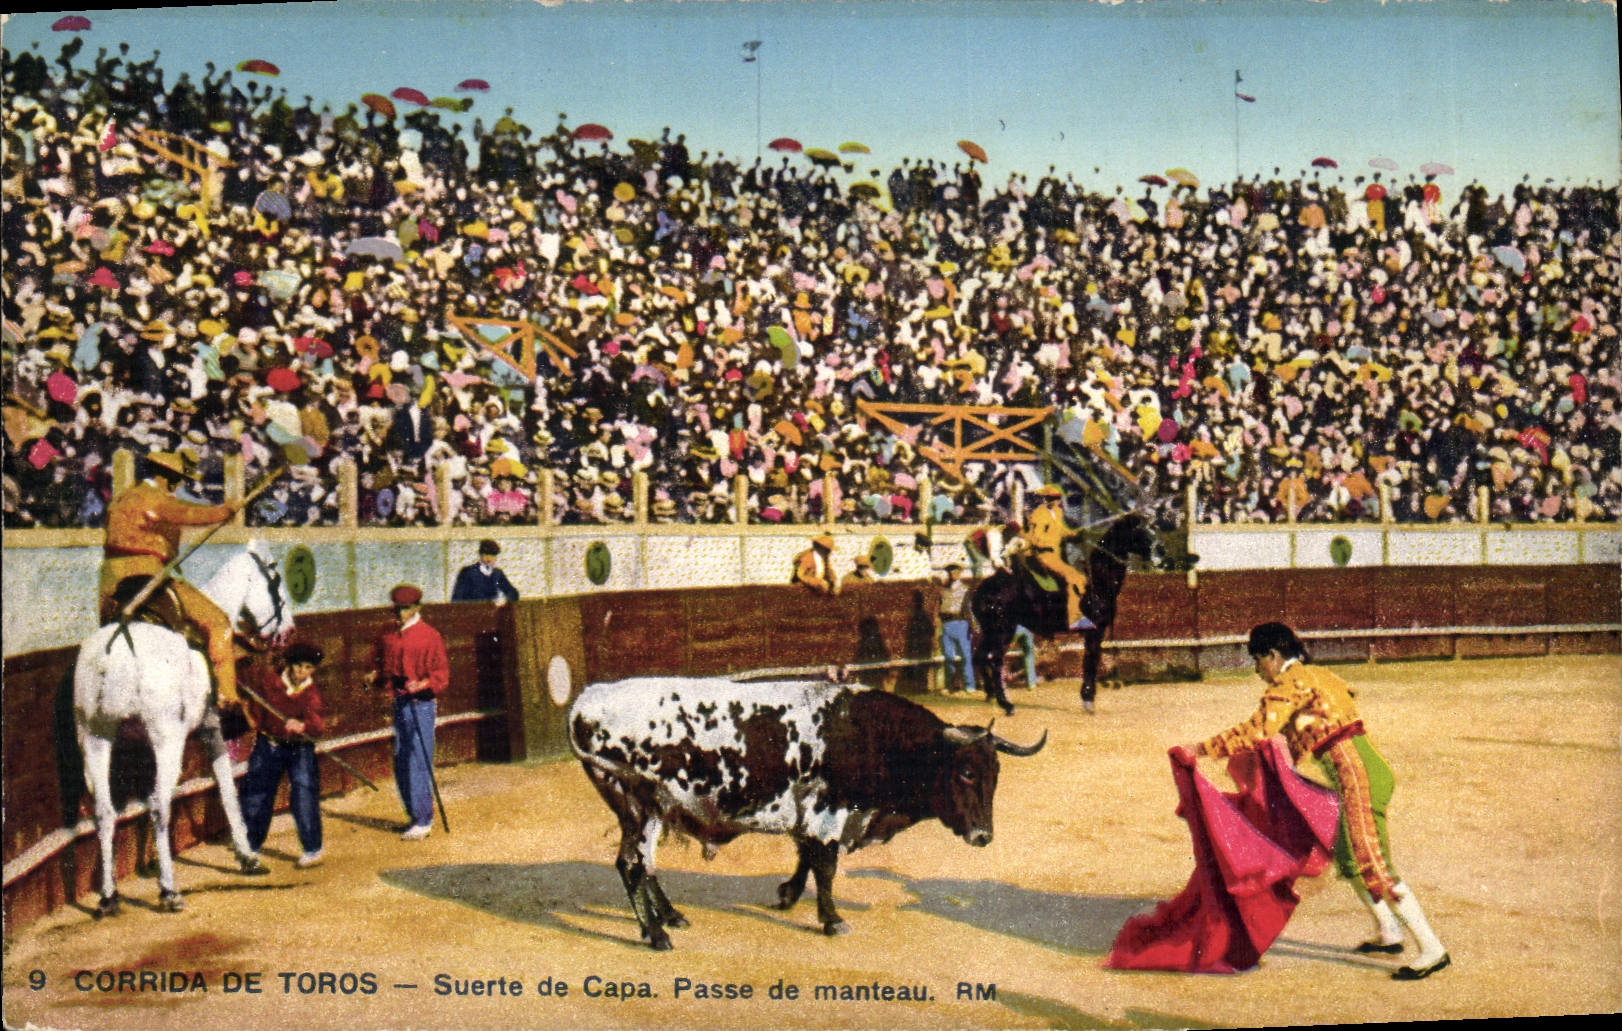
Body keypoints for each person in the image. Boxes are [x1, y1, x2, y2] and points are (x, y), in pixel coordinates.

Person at [1185, 622, 1450, 980]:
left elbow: (1256, 731)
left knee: (1373, 863)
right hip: (1363, 770)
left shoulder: (1290, 683)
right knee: (1349, 857)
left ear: (1274, 656)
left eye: (1259, 661)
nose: (1258, 671)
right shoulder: (1317, 675)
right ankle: (1389, 932)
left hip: (1358, 777)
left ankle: (1432, 948)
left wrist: (1201, 749)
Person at [99, 450, 267, 874]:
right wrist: (224, 511)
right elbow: (183, 513)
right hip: (148, 577)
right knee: (217, 622)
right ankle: (227, 698)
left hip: (109, 587)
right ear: (172, 478)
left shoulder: (122, 498)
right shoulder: (152, 498)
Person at [366, 584, 449, 840]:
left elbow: (441, 675)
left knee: (418, 757)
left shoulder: (429, 635)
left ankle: (424, 819)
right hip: (399, 702)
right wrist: (374, 675)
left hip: (421, 704)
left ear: (416, 608)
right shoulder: (387, 634)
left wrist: (423, 684)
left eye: (404, 608)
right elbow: (377, 663)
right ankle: (414, 816)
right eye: (396, 608)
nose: (399, 613)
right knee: (402, 756)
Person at [240, 642, 327, 868]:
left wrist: (303, 724)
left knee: (303, 794)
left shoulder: (312, 693)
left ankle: (312, 848)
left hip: (300, 748)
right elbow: (255, 709)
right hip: (269, 743)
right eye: (299, 666)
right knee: (258, 794)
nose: (302, 672)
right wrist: (257, 722)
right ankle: (250, 846)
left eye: (308, 668)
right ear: (289, 665)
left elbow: (317, 724)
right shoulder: (270, 681)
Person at [1020, 484, 1093, 631]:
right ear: (1046, 499)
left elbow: (1061, 531)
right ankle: (1074, 619)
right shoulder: (1038, 515)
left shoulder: (1058, 512)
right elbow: (1036, 538)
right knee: (1072, 577)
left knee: (1081, 578)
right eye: (1054, 498)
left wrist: (1074, 534)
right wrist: (1046, 543)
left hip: (1056, 555)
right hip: (1044, 556)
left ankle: (1076, 613)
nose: (1057, 501)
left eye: (1058, 498)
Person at [934, 562, 975, 693]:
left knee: (965, 655)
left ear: (960, 573)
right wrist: (937, 621)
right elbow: (938, 607)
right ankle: (949, 685)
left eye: (956, 572)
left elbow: (970, 609)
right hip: (947, 624)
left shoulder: (965, 589)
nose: (953, 574)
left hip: (961, 623)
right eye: (951, 572)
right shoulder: (943, 590)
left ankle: (969, 685)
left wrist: (972, 625)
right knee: (948, 655)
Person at [451, 538, 520, 604]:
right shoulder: (468, 572)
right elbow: (457, 598)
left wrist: (505, 599)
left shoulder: (497, 573)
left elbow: (513, 593)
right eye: (486, 554)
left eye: (492, 555)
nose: (489, 558)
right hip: (472, 612)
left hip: (492, 613)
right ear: (480, 555)